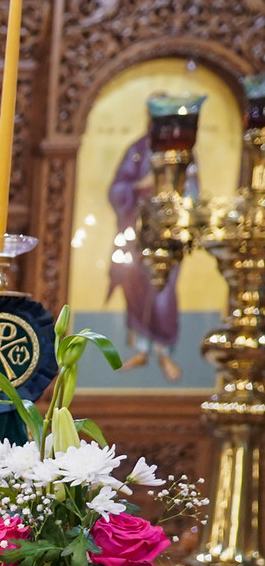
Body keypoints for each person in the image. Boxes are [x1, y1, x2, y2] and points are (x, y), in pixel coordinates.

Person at [108, 135, 186, 381]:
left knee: (163, 296)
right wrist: (140, 185)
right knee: (136, 291)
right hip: (137, 233)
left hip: (169, 237)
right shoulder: (138, 149)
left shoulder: (184, 148)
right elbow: (117, 189)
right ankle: (141, 350)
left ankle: (164, 353)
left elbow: (192, 191)